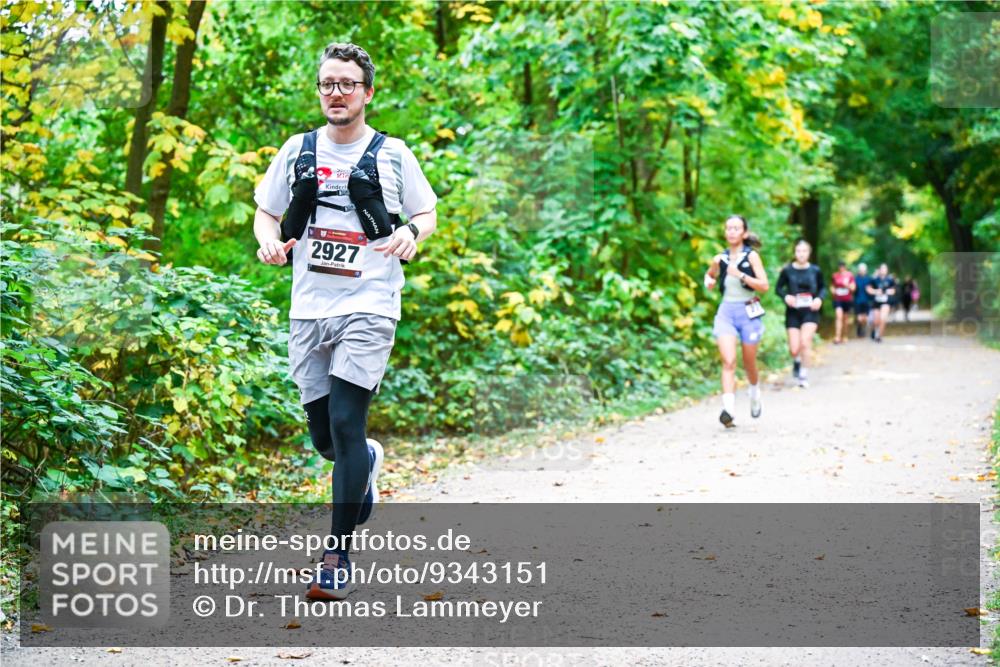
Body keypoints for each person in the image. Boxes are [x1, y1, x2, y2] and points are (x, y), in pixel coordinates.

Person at [253, 43, 438, 599]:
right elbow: (267, 211)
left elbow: (425, 210)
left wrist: (412, 232)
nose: (336, 92)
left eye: (347, 84)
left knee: (345, 422)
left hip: (371, 302)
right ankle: (367, 462)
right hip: (309, 306)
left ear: (367, 92)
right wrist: (269, 242)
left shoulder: (392, 152)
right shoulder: (297, 149)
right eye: (327, 84)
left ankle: (336, 556)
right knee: (324, 438)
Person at [703, 215, 770, 428]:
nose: (732, 231)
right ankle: (728, 410)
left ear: (744, 233)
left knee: (749, 362)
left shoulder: (752, 257)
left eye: (736, 228)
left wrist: (740, 275)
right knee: (729, 361)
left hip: (748, 311)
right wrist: (709, 280)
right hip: (726, 312)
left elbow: (764, 285)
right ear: (725, 232)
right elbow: (711, 275)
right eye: (728, 228)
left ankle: (754, 392)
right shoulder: (719, 258)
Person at [775, 239, 825, 388]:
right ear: (795, 253)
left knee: (805, 341)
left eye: (804, 251)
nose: (801, 254)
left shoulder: (815, 270)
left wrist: (819, 299)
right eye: (798, 251)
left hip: (810, 311)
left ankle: (803, 375)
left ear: (809, 253)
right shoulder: (787, 270)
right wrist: (786, 297)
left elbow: (823, 288)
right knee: (794, 348)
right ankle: (796, 360)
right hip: (793, 312)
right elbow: (778, 289)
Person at [867, 263, 896, 342]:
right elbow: (868, 289)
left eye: (885, 269)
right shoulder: (874, 279)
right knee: (876, 320)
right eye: (882, 268)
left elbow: (893, 290)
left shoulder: (890, 279)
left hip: (886, 302)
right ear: (879, 270)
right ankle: (874, 330)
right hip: (876, 302)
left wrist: (888, 291)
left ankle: (879, 336)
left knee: (883, 318)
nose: (884, 270)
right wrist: (875, 291)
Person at [830, 260, 855, 344]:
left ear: (845, 267)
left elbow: (853, 288)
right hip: (838, 299)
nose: (841, 268)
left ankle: (845, 335)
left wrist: (846, 285)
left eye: (843, 266)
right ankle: (837, 337)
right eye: (840, 266)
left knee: (845, 319)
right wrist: (833, 291)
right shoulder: (835, 275)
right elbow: (832, 286)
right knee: (838, 316)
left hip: (847, 299)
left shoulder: (850, 275)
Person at [853, 262, 872, 338]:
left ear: (866, 270)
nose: (862, 271)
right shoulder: (855, 279)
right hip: (857, 301)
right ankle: (859, 328)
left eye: (863, 270)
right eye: (861, 270)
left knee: (865, 318)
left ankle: (863, 328)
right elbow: (853, 289)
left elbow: (873, 288)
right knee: (859, 318)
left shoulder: (869, 279)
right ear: (858, 270)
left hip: (866, 301)